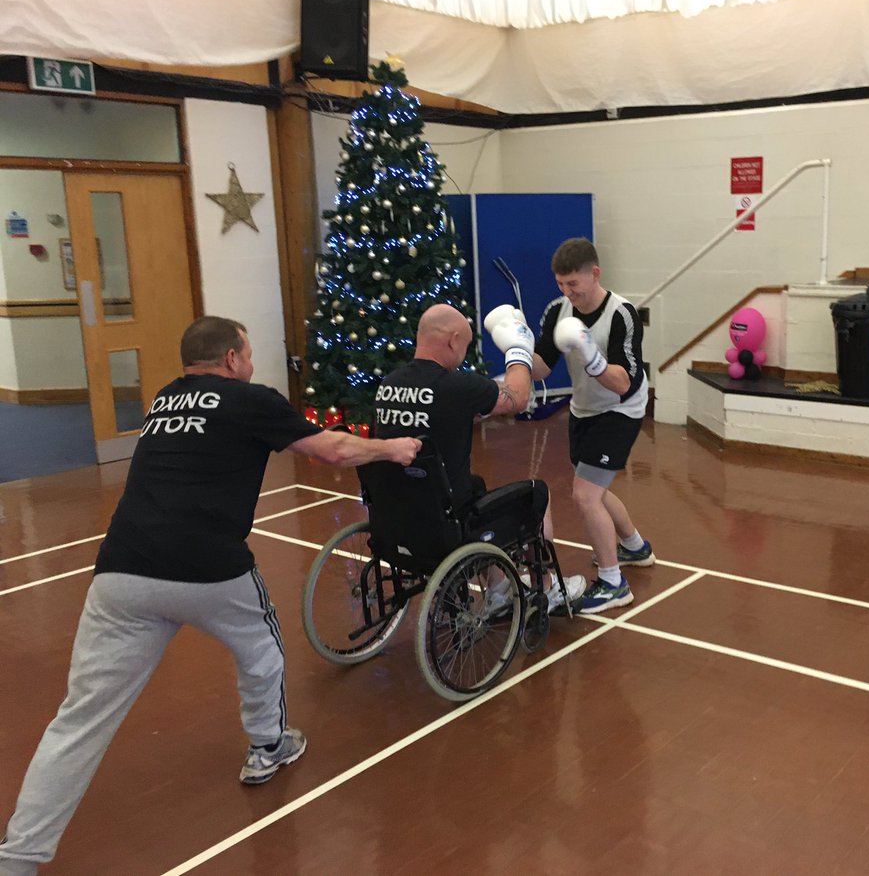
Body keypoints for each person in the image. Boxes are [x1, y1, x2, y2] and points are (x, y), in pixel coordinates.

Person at [0, 316, 423, 875]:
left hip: (122, 571)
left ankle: (17, 859)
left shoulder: (163, 400)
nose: (250, 363)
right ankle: (268, 747)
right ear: (230, 359)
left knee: (78, 719)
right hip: (210, 568)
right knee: (262, 647)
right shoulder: (250, 399)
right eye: (247, 353)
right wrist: (394, 448)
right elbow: (334, 450)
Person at [373, 303, 585, 611]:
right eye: (466, 345)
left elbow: (428, 418)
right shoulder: (457, 385)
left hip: (395, 518)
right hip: (447, 524)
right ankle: (548, 587)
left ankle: (498, 590)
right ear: (453, 339)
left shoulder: (388, 385)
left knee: (477, 485)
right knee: (536, 495)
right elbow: (518, 398)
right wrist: (518, 349)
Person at [530, 237, 654, 614]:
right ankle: (635, 547)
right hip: (583, 409)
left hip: (621, 408)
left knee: (584, 494)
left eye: (574, 284)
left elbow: (623, 382)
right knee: (593, 488)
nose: (568, 292)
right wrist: (516, 354)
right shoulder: (558, 311)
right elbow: (543, 366)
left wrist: (591, 355)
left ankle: (615, 584)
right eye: (561, 285)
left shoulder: (622, 314)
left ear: (594, 273)